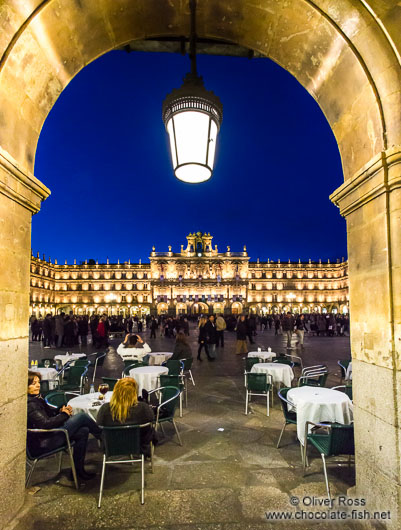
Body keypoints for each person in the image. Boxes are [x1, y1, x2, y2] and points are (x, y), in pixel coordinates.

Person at [27, 371, 101, 480]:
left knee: (83, 431)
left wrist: (59, 411)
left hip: (48, 436)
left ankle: (77, 472)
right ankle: (104, 437)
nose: (38, 385)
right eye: (33, 383)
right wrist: (64, 414)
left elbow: (48, 416)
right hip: (44, 443)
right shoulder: (31, 404)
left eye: (38, 382)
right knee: (82, 417)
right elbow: (46, 424)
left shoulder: (37, 398)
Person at [97, 378, 156, 457]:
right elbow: (152, 419)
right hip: (139, 446)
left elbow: (99, 424)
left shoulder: (104, 409)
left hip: (111, 447)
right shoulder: (143, 408)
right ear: (135, 392)